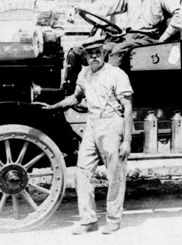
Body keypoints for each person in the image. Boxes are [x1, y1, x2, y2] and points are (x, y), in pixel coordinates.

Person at [41, 35, 133, 234]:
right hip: (92, 125)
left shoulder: (117, 74)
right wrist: (54, 106)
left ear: (104, 53)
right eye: (90, 53)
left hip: (111, 123)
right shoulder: (84, 75)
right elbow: (75, 97)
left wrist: (127, 140)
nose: (95, 56)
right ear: (85, 55)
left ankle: (113, 219)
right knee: (82, 171)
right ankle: (89, 220)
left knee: (115, 175)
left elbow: (127, 108)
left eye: (98, 52)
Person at [64, 0, 124, 93]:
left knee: (104, 52)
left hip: (118, 44)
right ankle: (71, 93)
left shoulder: (123, 2)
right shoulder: (100, 4)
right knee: (74, 53)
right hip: (102, 43)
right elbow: (90, 8)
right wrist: (73, 8)